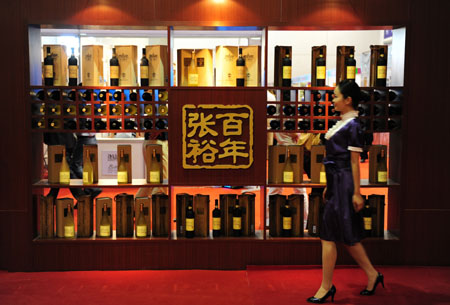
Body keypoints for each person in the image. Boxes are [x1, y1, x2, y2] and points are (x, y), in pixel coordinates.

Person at [307, 80, 384, 303]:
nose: (332, 100)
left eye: (336, 96)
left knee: (329, 235)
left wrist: (357, 192)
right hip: (336, 183)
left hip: (344, 184)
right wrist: (329, 187)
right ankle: (372, 274)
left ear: (348, 100)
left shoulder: (353, 126)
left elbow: (354, 163)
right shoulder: (343, 123)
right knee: (346, 236)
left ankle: (326, 287)